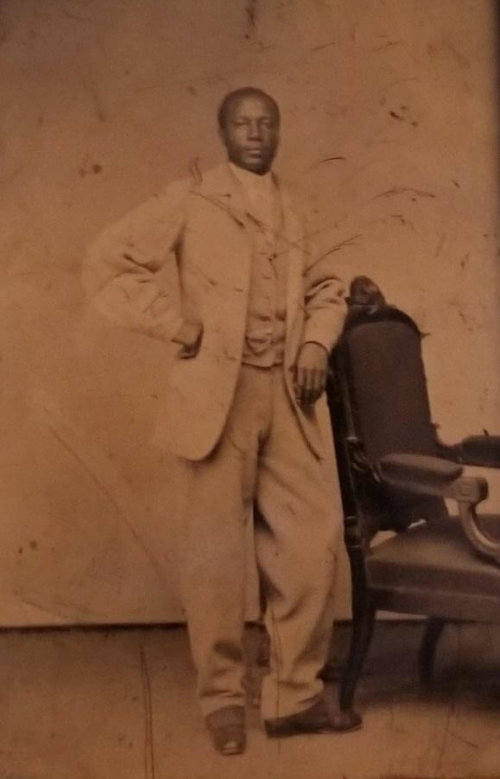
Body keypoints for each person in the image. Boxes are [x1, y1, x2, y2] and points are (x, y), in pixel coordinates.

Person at [83, 86, 360, 755]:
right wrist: (174, 322)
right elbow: (106, 262)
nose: (256, 133)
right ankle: (223, 701)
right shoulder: (191, 198)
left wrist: (317, 343)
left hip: (289, 395)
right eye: (243, 123)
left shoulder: (296, 208)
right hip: (216, 398)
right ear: (223, 133)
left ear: (280, 131)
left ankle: (294, 695)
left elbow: (328, 285)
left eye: (267, 122)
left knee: (309, 542)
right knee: (213, 556)